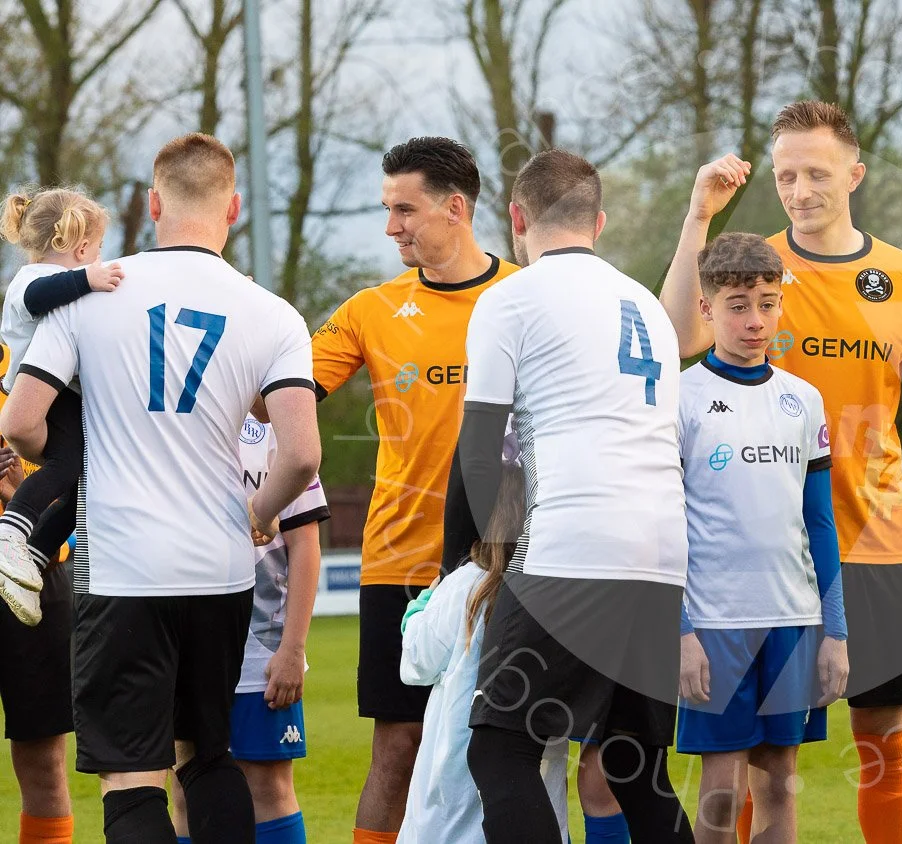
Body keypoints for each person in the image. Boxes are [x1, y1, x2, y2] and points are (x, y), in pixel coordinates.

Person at [0, 132, 320, 844]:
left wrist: (74, 457)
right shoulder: (273, 314)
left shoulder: (89, 294)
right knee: (209, 758)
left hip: (122, 571)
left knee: (133, 775)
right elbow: (301, 454)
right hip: (222, 571)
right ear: (232, 208)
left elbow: (20, 424)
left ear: (152, 205)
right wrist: (260, 515)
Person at [659, 101, 902, 843]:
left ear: (856, 172)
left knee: (884, 738)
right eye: (785, 175)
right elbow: (679, 335)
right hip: (760, 556)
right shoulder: (758, 270)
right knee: (757, 757)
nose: (800, 189)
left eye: (817, 172)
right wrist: (699, 218)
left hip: (874, 541)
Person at [450, 148, 691, 843]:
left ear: (516, 218)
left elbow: (478, 447)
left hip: (573, 545)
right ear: (600, 222)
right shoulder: (643, 301)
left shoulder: (510, 297)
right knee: (635, 764)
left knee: (499, 746)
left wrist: (478, 554)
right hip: (659, 554)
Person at [310, 136, 518, 844]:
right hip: (399, 562)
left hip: (508, 563)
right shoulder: (369, 310)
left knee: (508, 747)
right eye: (387, 209)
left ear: (455, 208)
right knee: (396, 749)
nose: (392, 226)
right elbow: (278, 393)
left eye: (405, 209)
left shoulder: (526, 296)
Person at [674, 232, 849, 842]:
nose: (756, 320)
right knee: (722, 795)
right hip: (715, 625)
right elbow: (662, 528)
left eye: (768, 303)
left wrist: (836, 633)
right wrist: (681, 631)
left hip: (794, 621)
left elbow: (820, 522)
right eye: (739, 305)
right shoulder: (681, 398)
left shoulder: (803, 399)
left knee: (780, 785)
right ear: (706, 309)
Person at [167, 415, 328, 844]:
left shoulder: (276, 422)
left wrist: (293, 648)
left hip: (262, 649)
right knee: (185, 787)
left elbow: (304, 541)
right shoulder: (172, 418)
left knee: (268, 787)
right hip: (181, 639)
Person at [399, 463, 569, 844]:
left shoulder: (463, 585)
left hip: (451, 796)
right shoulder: (555, 592)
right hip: (537, 795)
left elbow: (416, 662)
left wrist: (419, 606)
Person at [0, 186, 123, 624]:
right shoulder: (29, 280)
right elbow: (38, 299)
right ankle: (12, 534)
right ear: (82, 246)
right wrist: (88, 280)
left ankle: (33, 555)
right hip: (38, 393)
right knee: (65, 467)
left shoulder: (60, 285)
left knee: (84, 486)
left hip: (60, 393)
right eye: (98, 250)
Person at [0, 342, 73, 844]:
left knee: (43, 758)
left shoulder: (34, 357)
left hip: (35, 574)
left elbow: (76, 481)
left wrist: (13, 496)